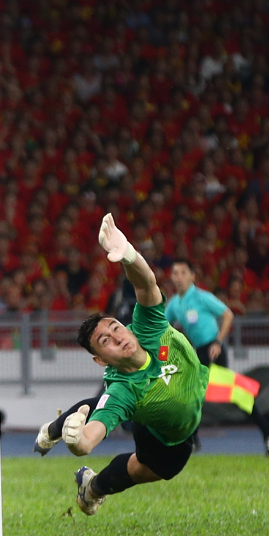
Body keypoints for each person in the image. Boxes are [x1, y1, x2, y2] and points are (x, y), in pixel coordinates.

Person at [32, 214, 209, 516]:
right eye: (105, 341)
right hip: (162, 433)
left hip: (184, 408)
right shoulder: (122, 391)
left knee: (98, 403)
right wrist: (76, 442)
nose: (117, 337)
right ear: (100, 360)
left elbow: (146, 283)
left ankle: (52, 429)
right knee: (146, 467)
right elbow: (89, 440)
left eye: (115, 328)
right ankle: (91, 489)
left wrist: (128, 254)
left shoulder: (148, 328)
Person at [166, 259, 269, 456]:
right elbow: (162, 326)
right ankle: (267, 430)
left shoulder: (202, 297)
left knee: (207, 393)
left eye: (183, 273)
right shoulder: (174, 304)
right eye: (175, 273)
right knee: (199, 394)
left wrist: (218, 342)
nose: (179, 277)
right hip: (199, 352)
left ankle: (192, 439)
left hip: (213, 351)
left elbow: (228, 315)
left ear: (192, 276)